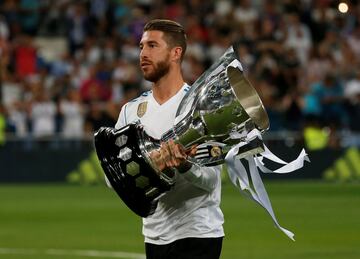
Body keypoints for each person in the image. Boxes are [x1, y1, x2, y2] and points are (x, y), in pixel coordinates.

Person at [113, 19, 224, 259]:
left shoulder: (201, 108)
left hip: (198, 233)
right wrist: (146, 165)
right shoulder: (130, 111)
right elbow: (113, 176)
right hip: (154, 235)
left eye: (152, 46)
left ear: (176, 53)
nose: (143, 53)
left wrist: (184, 166)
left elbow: (211, 181)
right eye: (141, 46)